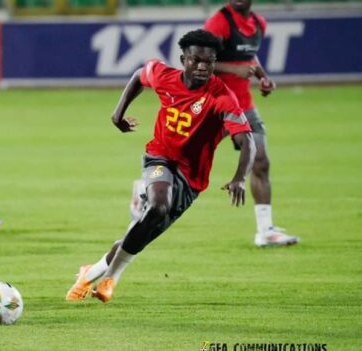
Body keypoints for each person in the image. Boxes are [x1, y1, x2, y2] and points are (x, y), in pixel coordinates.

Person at [65, 29, 255, 303]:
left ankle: (90, 272)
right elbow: (138, 77)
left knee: (143, 231)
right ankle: (112, 280)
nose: (202, 67)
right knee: (157, 206)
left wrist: (239, 177)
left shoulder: (220, 96)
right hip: (160, 158)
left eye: (209, 62)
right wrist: (117, 114)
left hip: (192, 179)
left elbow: (247, 140)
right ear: (183, 59)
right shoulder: (164, 75)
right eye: (195, 60)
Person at [205, 0, 299, 247]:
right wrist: (235, 70)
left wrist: (262, 77)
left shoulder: (259, 23)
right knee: (184, 161)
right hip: (214, 105)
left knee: (261, 162)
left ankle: (265, 231)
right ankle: (146, 191)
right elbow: (197, 61)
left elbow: (250, 57)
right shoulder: (218, 23)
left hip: (243, 105)